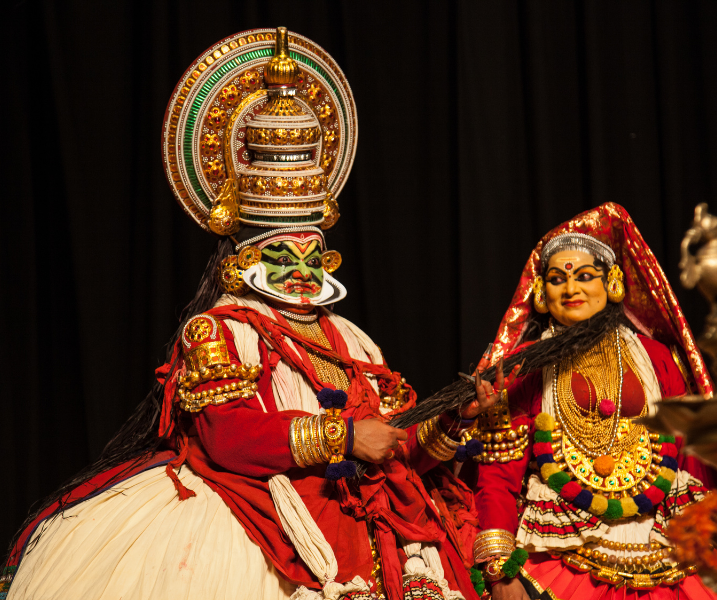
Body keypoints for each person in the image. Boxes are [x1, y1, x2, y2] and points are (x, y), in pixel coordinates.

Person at [3, 28, 516, 600]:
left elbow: (395, 444)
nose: (301, 271)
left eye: (312, 257)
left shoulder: (352, 338)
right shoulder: (219, 329)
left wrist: (451, 422)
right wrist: (344, 436)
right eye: (282, 256)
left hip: (368, 516)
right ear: (244, 261)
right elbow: (227, 435)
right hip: (265, 507)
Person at [468, 203, 717, 600]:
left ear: (613, 283)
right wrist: (500, 569)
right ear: (542, 293)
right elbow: (499, 471)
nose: (571, 289)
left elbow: (688, 456)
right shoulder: (523, 368)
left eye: (585, 276)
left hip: (664, 543)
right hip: (562, 550)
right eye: (557, 280)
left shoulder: (656, 358)